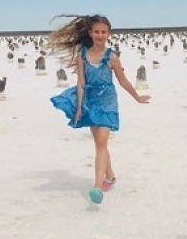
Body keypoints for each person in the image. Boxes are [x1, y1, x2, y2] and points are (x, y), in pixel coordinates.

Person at [48, 14, 150, 204]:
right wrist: (79, 106)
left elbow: (123, 81)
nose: (100, 35)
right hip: (90, 100)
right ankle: (110, 176)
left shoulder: (112, 58)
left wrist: (137, 97)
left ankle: (97, 186)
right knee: (99, 143)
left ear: (109, 34)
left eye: (104, 32)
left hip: (107, 101)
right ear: (90, 33)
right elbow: (80, 83)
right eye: (97, 32)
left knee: (102, 141)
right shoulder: (83, 55)